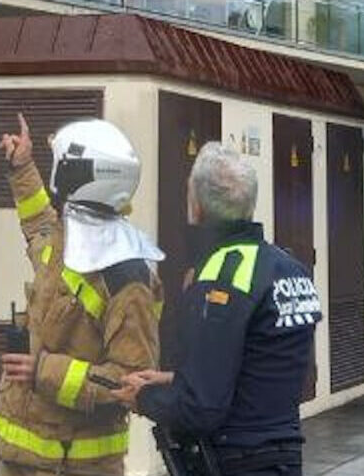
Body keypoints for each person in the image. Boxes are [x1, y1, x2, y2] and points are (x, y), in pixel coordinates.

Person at [117, 142, 320, 476]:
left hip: (237, 459)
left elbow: (201, 408)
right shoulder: (288, 267)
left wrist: (144, 398)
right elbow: (260, 365)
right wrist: (174, 378)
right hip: (283, 455)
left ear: (197, 207)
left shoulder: (220, 277)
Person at [0, 114, 161, 476]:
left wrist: (43, 371)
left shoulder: (127, 277)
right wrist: (22, 168)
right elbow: (38, 226)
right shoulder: (68, 238)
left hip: (77, 467)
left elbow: (132, 380)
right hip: (20, 458)